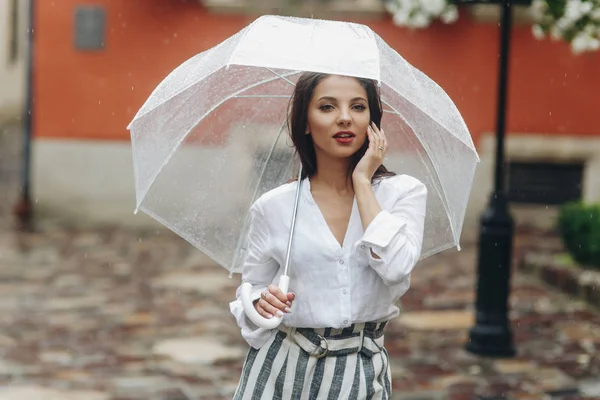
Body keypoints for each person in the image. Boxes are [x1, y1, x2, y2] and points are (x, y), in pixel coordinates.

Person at [229, 72, 427, 399]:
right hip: (281, 368)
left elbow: (396, 268)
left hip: (360, 370)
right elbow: (251, 289)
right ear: (305, 122)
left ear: (373, 122)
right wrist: (261, 303)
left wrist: (363, 182)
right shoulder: (276, 206)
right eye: (327, 107)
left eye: (358, 107)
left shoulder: (403, 194)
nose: (345, 117)